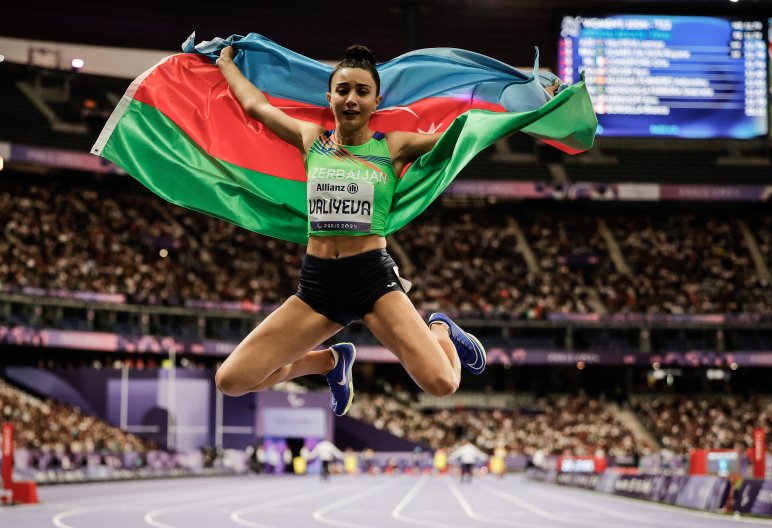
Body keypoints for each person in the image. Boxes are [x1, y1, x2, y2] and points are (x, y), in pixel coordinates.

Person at [213, 44, 549, 416]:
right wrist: (226, 63)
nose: (351, 99)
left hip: (372, 281)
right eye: (343, 91)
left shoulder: (393, 146)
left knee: (444, 383)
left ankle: (441, 330)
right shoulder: (312, 141)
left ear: (376, 101)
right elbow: (256, 106)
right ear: (330, 98)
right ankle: (328, 362)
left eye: (361, 91)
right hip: (318, 286)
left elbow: (466, 132)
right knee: (231, 381)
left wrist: (533, 107)